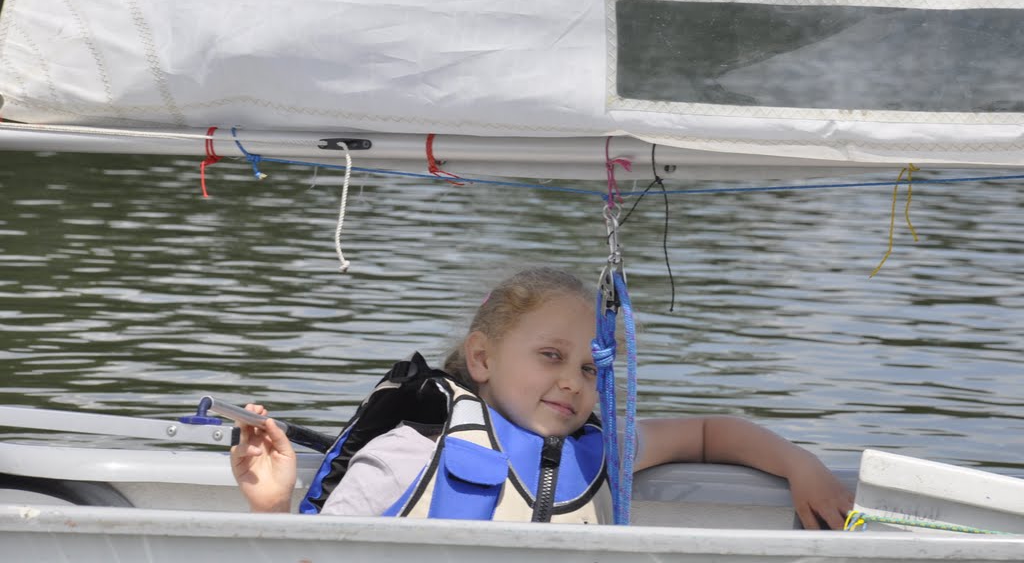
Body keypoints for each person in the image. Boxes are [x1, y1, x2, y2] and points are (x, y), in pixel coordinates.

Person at [231, 267, 853, 528]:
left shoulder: (603, 452)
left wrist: (801, 465)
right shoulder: (407, 455)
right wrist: (274, 506)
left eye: (589, 368)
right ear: (482, 358)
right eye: (551, 356)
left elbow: (712, 433)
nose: (574, 383)